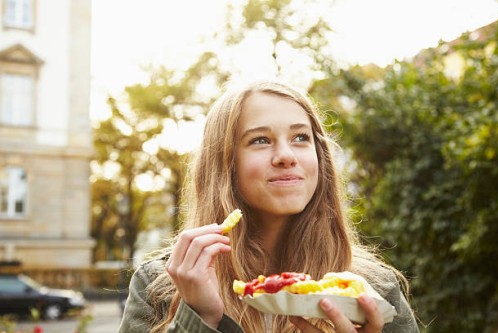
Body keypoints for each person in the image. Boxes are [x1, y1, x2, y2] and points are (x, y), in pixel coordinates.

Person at [119, 80, 420, 333]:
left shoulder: (374, 290)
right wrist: (198, 318)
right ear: (224, 165)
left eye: (300, 137)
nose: (286, 155)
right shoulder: (159, 287)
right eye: (260, 140)